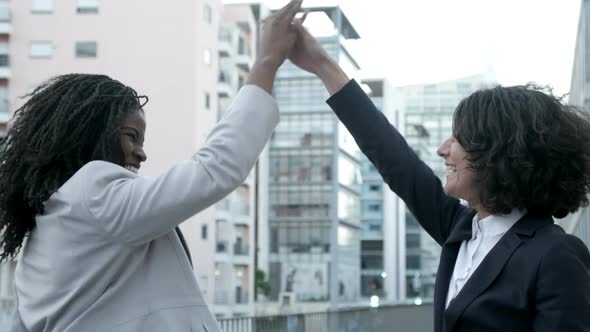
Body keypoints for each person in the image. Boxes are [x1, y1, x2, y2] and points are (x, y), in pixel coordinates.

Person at [0, 1, 303, 331]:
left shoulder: (41, 233)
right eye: (132, 136)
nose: (141, 154)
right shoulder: (93, 191)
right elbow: (214, 169)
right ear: (87, 135)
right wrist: (267, 62)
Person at [287, 19, 590, 331]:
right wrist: (321, 64)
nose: (442, 150)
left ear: (498, 153)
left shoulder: (556, 254)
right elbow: (393, 158)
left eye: (457, 138)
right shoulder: (461, 230)